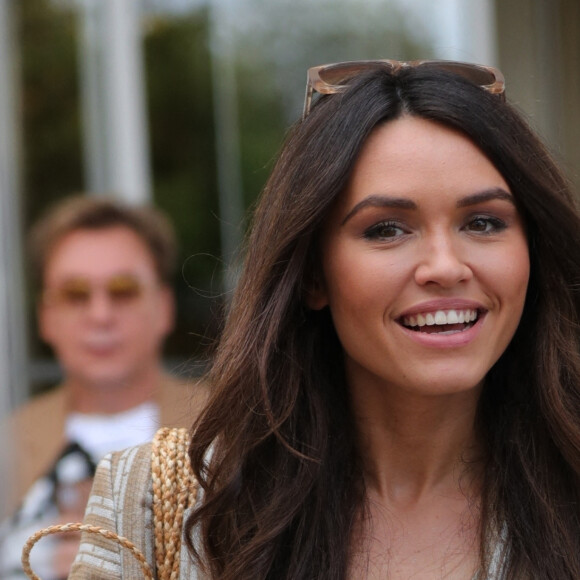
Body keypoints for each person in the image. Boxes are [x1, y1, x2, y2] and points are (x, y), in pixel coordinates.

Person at [70, 59, 580, 579]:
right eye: (386, 230)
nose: (445, 267)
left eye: (483, 222)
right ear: (313, 274)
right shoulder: (159, 502)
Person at [1, 196, 207, 580]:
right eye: (75, 294)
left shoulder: (230, 428)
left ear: (164, 308)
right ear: (46, 317)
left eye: (123, 290)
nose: (100, 315)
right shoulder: (7, 442)